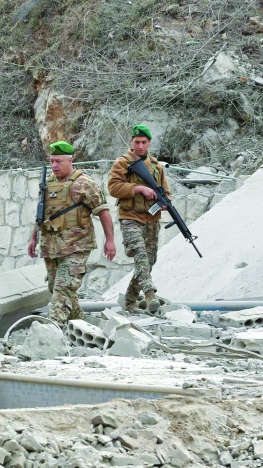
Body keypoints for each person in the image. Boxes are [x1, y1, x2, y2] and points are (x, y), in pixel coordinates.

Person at [28, 141, 116, 326]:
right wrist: (33, 238)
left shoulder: (85, 184)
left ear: (70, 160)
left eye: (58, 161)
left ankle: (52, 330)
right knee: (56, 288)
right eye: (52, 161)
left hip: (77, 246)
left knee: (63, 288)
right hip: (51, 246)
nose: (54, 165)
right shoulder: (48, 183)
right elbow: (42, 214)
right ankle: (78, 322)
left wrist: (110, 240)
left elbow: (103, 211)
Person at [107, 124, 169, 315]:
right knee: (140, 254)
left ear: (149, 143)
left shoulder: (157, 167)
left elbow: (165, 191)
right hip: (130, 217)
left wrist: (165, 200)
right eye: (137, 142)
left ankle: (130, 300)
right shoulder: (123, 163)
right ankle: (150, 294)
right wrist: (137, 189)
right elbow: (113, 187)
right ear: (131, 142)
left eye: (143, 142)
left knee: (149, 260)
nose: (140, 146)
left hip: (151, 218)